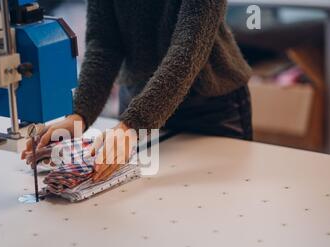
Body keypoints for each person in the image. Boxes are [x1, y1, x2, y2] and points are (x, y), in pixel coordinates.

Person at [22, 0, 253, 182]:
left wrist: (133, 125)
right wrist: (79, 115)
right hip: (137, 104)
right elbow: (104, 44)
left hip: (209, 107)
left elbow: (187, 50)